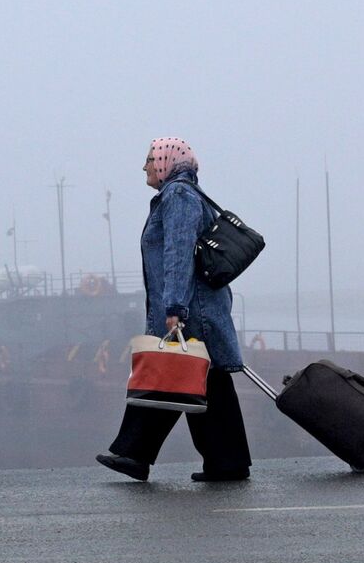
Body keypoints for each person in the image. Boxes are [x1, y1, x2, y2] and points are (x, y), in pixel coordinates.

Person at [96, 137, 251, 482]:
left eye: (150, 158)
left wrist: (175, 306)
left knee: (167, 376)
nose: (145, 166)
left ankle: (134, 453)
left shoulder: (178, 196)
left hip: (192, 310)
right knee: (199, 383)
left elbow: (178, 253)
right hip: (197, 308)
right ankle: (227, 462)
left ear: (166, 160)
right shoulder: (180, 194)